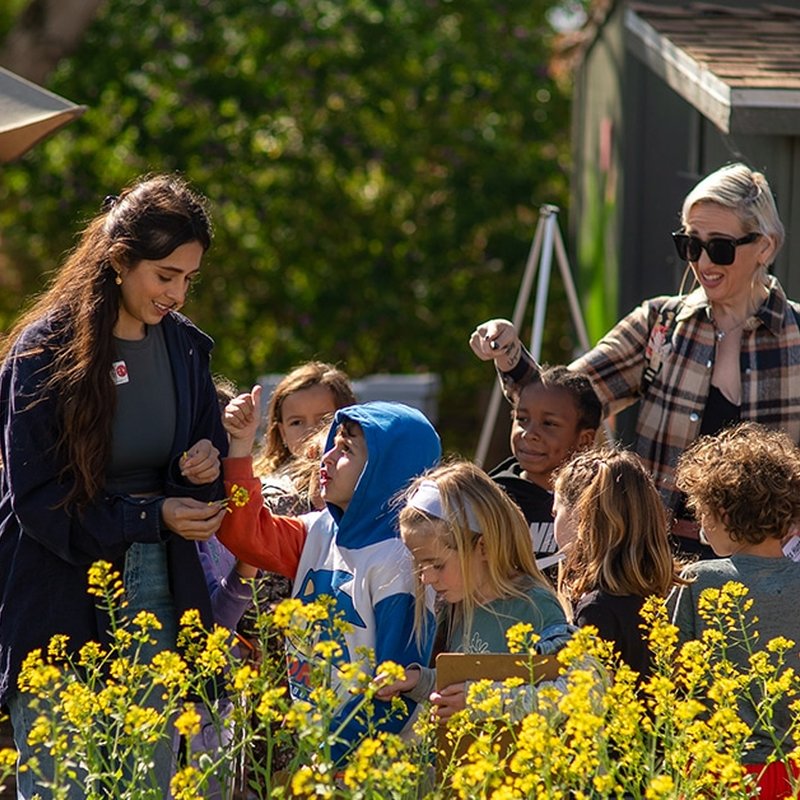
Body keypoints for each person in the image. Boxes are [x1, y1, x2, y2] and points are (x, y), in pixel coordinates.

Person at [0, 174, 229, 799]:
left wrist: (204, 467)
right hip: (56, 592)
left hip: (160, 585)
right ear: (120, 260)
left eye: (189, 279)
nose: (177, 294)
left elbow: (206, 483)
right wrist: (150, 517)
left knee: (146, 785)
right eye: (165, 275)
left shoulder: (187, 349)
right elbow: (36, 502)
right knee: (63, 786)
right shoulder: (42, 351)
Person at [470, 162, 798, 555]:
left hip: (770, 565)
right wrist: (509, 352)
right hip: (658, 556)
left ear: (765, 247)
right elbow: (563, 403)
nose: (703, 262)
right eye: (690, 245)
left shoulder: (796, 336)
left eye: (720, 248)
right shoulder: (660, 323)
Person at [218, 388, 441, 762]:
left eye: (346, 450)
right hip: (317, 752)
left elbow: (393, 690)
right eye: (333, 445)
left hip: (371, 763)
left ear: (385, 470)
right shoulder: (318, 529)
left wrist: (327, 758)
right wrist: (240, 447)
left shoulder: (400, 563)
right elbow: (245, 535)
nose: (327, 457)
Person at [376, 460, 572, 720]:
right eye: (419, 565)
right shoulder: (458, 605)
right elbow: (463, 687)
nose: (425, 578)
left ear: (484, 547)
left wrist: (484, 701)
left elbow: (575, 693)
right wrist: (418, 681)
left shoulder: (535, 607)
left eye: (437, 564)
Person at [669, 422, 800, 799]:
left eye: (701, 513)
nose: (699, 524)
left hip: (719, 772)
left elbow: (673, 672)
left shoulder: (698, 581)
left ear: (723, 514)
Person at [553, 447, 684, 677]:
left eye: (556, 513)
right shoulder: (671, 596)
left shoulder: (597, 610)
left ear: (581, 518)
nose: (553, 518)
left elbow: (591, 690)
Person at [489, 365, 600, 572]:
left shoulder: (601, 502)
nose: (529, 433)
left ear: (585, 440)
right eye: (522, 419)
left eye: (548, 423)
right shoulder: (490, 499)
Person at [254, 361, 357, 516]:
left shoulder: (364, 480)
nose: (311, 431)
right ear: (282, 432)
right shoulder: (271, 491)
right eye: (296, 422)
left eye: (324, 420)